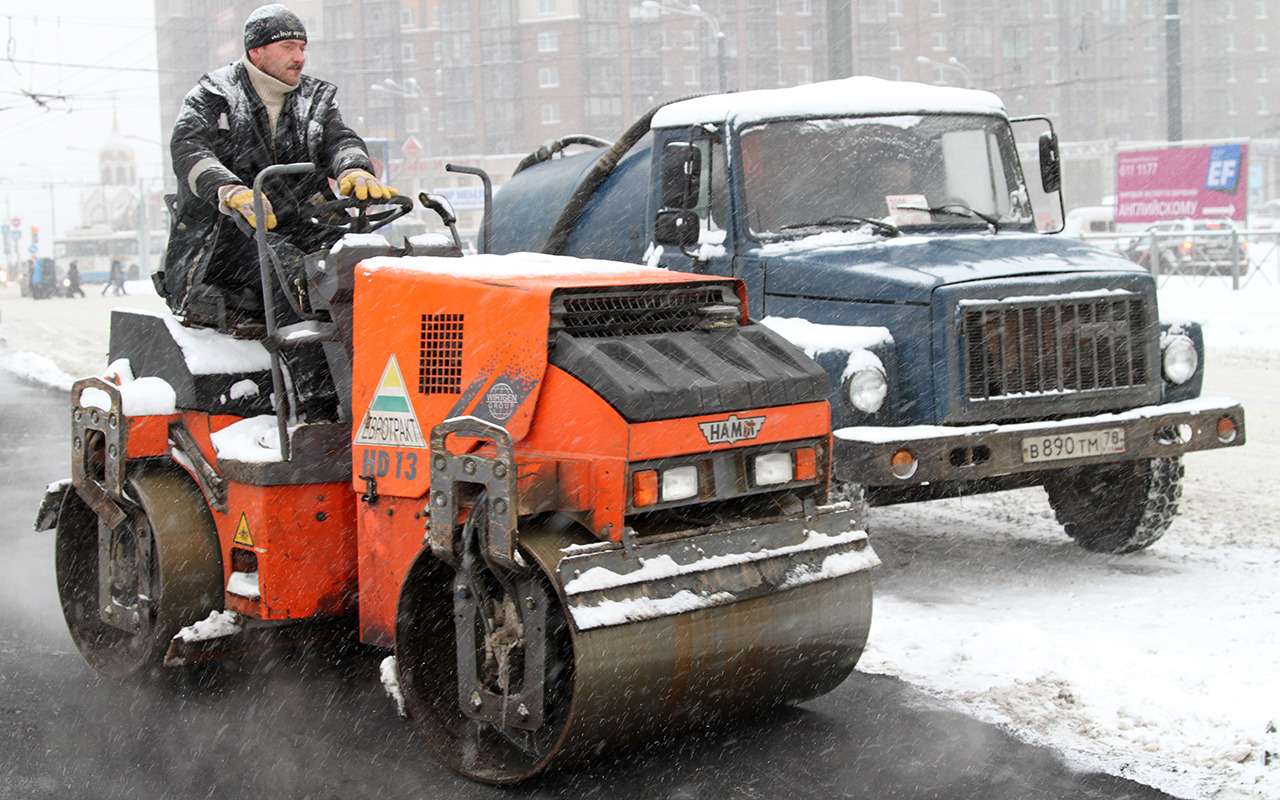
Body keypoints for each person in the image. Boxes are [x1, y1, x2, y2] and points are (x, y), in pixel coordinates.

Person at [157, 3, 396, 324]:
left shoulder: (314, 100)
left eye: (302, 47)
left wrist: (353, 167)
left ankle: (380, 356)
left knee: (366, 263)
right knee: (292, 273)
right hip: (226, 237)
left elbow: (339, 139)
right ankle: (306, 366)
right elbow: (190, 151)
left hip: (304, 226)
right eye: (288, 47)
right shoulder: (213, 96)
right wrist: (228, 190)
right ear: (256, 52)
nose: (299, 57)